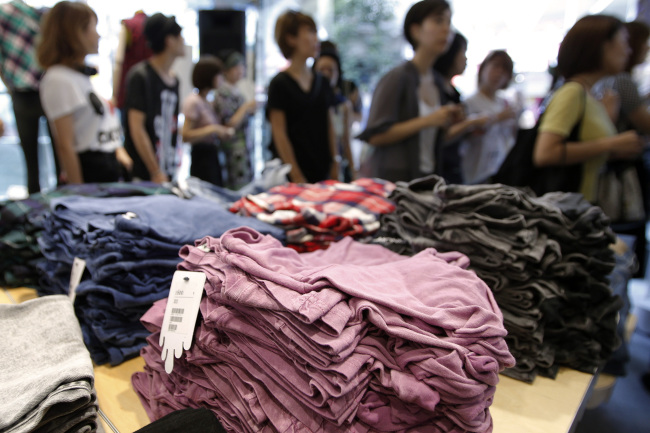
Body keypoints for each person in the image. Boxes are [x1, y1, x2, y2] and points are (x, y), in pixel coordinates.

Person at [533, 14, 644, 203]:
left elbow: (584, 150)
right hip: (566, 208)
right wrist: (612, 144)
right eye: (623, 41)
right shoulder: (572, 92)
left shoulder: (590, 94)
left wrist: (613, 149)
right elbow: (545, 154)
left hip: (580, 204)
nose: (628, 50)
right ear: (603, 46)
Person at [357, 0, 463, 182]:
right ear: (415, 30)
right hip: (394, 182)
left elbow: (432, 140)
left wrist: (451, 123)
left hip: (428, 177)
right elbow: (374, 135)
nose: (446, 29)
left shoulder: (437, 81)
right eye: (438, 21)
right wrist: (429, 120)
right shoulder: (397, 77)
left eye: (448, 22)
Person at [37, 1, 130, 184]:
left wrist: (118, 150)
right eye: (92, 28)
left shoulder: (81, 74)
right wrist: (79, 195)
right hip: (91, 173)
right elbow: (65, 146)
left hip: (108, 168)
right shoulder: (58, 79)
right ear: (75, 33)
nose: (98, 35)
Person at [266, 10, 337, 184]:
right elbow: (279, 133)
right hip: (290, 176)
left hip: (322, 169)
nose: (316, 39)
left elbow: (329, 125)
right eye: (310, 32)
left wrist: (336, 162)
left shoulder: (322, 82)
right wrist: (296, 175)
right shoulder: (279, 83)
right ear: (291, 38)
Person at [0, 0, 59, 193]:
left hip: (28, 91)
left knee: (34, 160)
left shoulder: (40, 13)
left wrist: (9, 84)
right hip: (37, 90)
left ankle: (39, 205)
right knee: (59, 154)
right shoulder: (39, 14)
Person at [123, 12, 184, 183]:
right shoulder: (140, 76)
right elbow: (137, 127)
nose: (183, 41)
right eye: (179, 36)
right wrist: (155, 170)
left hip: (167, 168)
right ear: (169, 40)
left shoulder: (174, 79)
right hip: (145, 174)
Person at [433, 31, 491, 184]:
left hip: (455, 166)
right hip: (439, 169)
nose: (465, 59)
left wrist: (469, 129)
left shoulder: (454, 93)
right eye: (462, 52)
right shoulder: (434, 89)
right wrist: (471, 122)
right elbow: (439, 137)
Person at [459, 50, 519, 184]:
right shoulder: (468, 102)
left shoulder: (505, 103)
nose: (498, 73)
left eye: (504, 70)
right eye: (495, 66)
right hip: (475, 171)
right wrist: (496, 118)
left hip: (501, 168)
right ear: (483, 68)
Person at [181, 55, 234, 186]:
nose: (221, 79)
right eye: (219, 75)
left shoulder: (208, 101)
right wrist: (213, 129)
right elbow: (185, 135)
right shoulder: (194, 101)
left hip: (212, 155)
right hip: (201, 157)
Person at [213, 50, 257, 189]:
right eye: (236, 67)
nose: (240, 71)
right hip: (232, 148)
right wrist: (245, 108)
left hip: (244, 146)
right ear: (227, 70)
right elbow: (229, 123)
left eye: (241, 67)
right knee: (237, 188)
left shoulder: (236, 90)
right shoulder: (223, 92)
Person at [313, 46, 356, 181]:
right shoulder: (310, 102)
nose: (326, 74)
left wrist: (353, 170)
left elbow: (346, 140)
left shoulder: (343, 106)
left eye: (331, 70)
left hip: (336, 169)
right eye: (321, 70)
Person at [112, 10, 152, 130]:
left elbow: (119, 61)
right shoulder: (152, 27)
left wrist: (115, 94)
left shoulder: (128, 26)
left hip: (128, 90)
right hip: (150, 89)